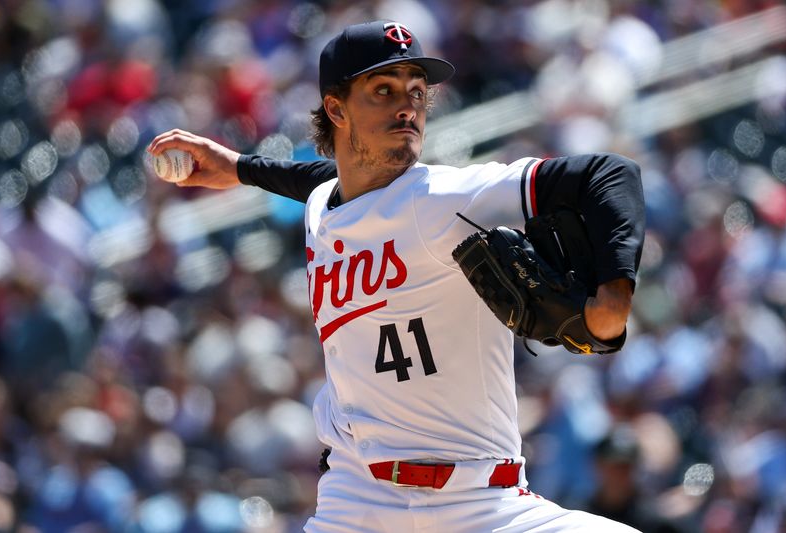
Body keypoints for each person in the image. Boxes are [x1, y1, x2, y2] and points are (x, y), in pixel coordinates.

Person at [149, 20, 645, 532]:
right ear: (336, 109)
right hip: (356, 501)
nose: (406, 106)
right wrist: (238, 167)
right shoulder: (326, 203)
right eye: (383, 91)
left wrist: (612, 302)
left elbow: (609, 175)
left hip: (480, 505)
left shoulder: (443, 199)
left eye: (415, 92)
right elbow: (325, 182)